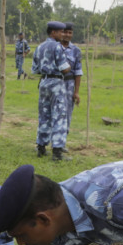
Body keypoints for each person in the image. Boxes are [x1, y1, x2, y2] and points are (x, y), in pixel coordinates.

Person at [32, 21, 72, 161]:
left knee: (44, 115)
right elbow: (64, 68)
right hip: (56, 82)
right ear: (53, 32)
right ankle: (57, 152)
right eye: (60, 32)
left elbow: (35, 69)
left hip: (43, 82)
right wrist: (69, 67)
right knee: (59, 116)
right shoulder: (57, 47)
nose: (63, 34)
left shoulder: (39, 47)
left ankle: (41, 148)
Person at [60, 22, 83, 137]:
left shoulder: (76, 50)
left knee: (67, 113)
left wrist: (76, 92)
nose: (67, 35)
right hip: (55, 83)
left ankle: (62, 142)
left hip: (69, 85)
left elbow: (78, 72)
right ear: (60, 32)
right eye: (65, 32)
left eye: (70, 33)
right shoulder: (54, 47)